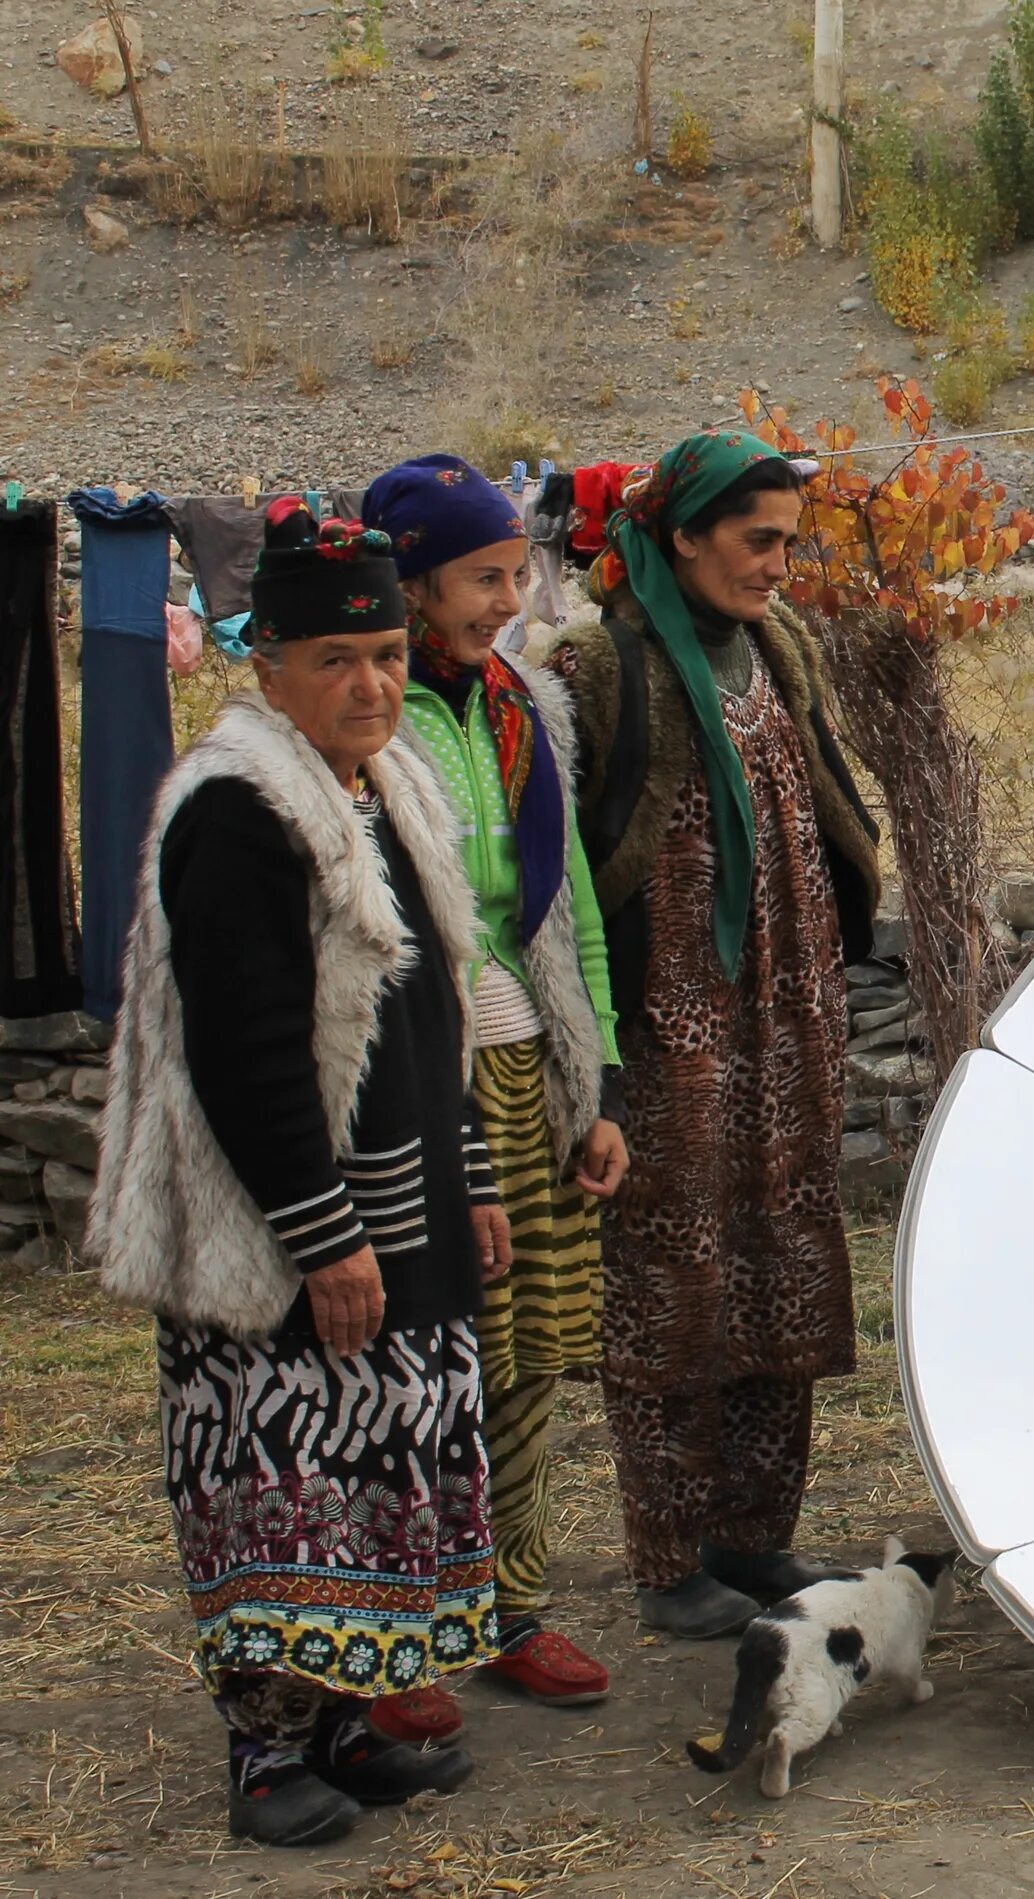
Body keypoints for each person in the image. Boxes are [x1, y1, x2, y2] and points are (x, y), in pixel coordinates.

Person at [91, 505, 510, 1846]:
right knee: (284, 1472)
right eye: (338, 658)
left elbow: (435, 1007)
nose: (374, 683)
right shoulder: (238, 810)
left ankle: (342, 1720)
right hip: (286, 1236)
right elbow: (247, 1052)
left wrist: (480, 1172)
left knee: (381, 1471)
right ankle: (265, 1744)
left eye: (389, 653)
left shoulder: (389, 789)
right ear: (264, 663)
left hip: (407, 1207)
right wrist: (325, 1237)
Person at [551, 432, 882, 1639]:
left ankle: (755, 1538)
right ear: (683, 535)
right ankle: (668, 1553)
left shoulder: (774, 650)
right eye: (758, 540)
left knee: (780, 1253)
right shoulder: (601, 669)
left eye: (791, 541)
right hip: (676, 1017)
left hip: (783, 1011)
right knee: (674, 1269)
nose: (779, 564)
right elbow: (573, 867)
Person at [358, 456, 630, 1744]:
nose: (507, 599)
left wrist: (600, 1083)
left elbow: (562, 897)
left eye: (518, 573)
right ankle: (410, 1615)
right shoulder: (373, 720)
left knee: (526, 1352)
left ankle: (510, 1603)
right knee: (425, 1355)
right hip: (419, 1080)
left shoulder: (523, 707)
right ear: (410, 584)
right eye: (482, 577)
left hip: (529, 1067)